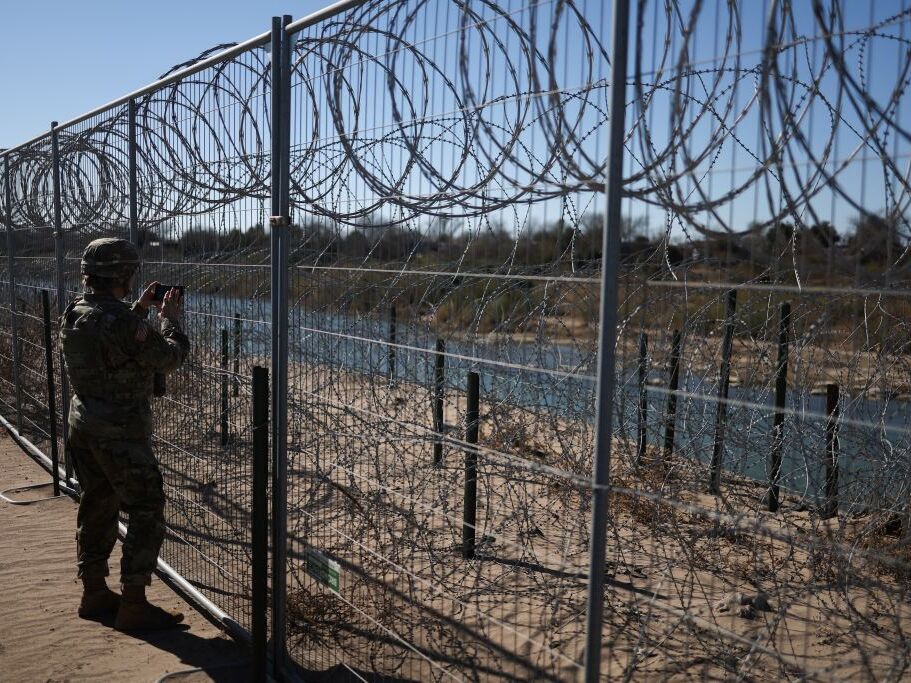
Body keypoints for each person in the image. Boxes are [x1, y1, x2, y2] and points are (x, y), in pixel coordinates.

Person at [60, 237, 189, 631]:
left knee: (98, 502)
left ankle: (94, 592)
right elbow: (169, 357)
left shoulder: (77, 311)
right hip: (119, 432)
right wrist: (170, 320)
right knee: (147, 507)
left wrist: (138, 310)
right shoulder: (125, 323)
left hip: (83, 424)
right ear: (122, 274)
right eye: (131, 272)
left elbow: (110, 337)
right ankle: (134, 602)